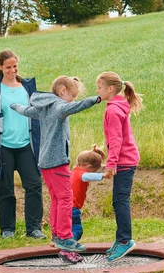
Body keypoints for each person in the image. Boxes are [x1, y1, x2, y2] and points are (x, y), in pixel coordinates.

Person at [11, 76, 100, 252]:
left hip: (44, 162)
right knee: (66, 198)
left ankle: (56, 234)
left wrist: (14, 106)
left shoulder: (44, 108)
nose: (72, 100)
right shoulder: (60, 107)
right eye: (72, 96)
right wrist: (96, 99)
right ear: (62, 91)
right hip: (57, 161)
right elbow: (76, 106)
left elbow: (26, 110)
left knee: (57, 199)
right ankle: (66, 237)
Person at [0, 49, 45, 239]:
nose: (12, 70)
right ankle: (7, 229)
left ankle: (34, 228)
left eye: (15, 66)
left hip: (27, 146)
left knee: (34, 185)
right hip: (3, 147)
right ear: (0, 67)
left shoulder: (27, 87)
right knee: (5, 188)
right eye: (8, 67)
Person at [96, 72, 143, 262]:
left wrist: (111, 163)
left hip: (124, 160)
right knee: (118, 200)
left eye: (99, 87)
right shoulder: (116, 107)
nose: (97, 91)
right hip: (125, 159)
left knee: (120, 201)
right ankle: (120, 238)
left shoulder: (113, 110)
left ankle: (125, 240)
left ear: (110, 89)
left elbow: (116, 140)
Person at [70, 146, 107, 241]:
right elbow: (88, 176)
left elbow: (96, 169)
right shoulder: (82, 175)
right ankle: (69, 244)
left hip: (65, 207)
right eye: (94, 170)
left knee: (66, 229)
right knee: (77, 230)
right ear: (89, 167)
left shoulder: (74, 171)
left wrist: (109, 167)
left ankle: (58, 240)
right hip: (73, 208)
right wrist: (103, 175)